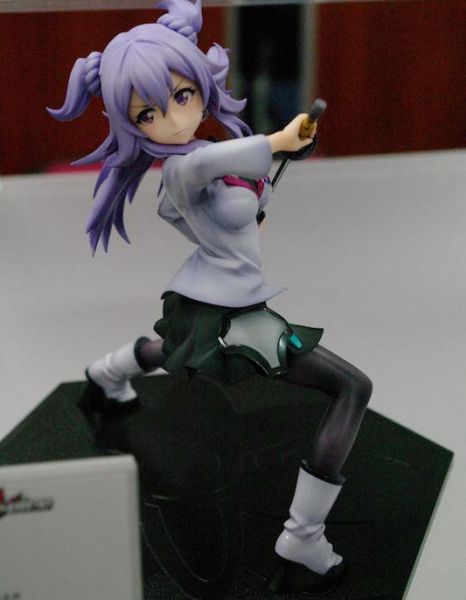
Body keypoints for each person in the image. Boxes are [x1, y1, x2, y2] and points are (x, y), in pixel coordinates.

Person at [49, 0, 372, 593]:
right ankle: (303, 538)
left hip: (204, 303)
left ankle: (106, 372)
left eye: (182, 95)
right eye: (148, 112)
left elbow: (233, 195)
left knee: (175, 352)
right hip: (233, 313)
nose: (173, 118)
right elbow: (213, 163)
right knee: (352, 388)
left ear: (201, 85)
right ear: (131, 125)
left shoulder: (214, 162)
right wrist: (276, 140)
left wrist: (279, 162)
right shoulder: (182, 168)